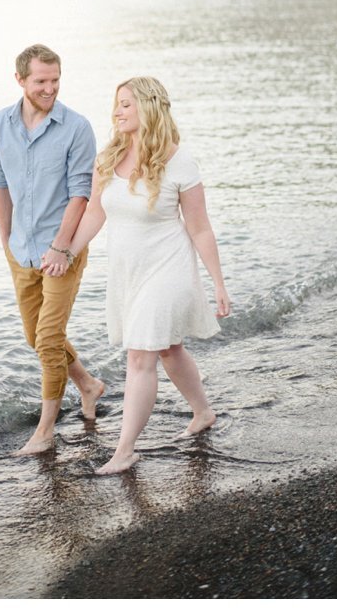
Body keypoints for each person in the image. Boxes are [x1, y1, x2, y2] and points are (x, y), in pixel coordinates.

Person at [56, 76, 232, 475]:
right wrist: (68, 251)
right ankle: (203, 412)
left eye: (125, 104)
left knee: (140, 355)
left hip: (168, 268)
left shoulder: (179, 160)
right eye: (116, 104)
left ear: (148, 107)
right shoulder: (108, 158)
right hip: (129, 272)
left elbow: (200, 227)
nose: (117, 112)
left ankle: (124, 450)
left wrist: (218, 283)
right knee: (169, 348)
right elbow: (96, 214)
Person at [0, 43, 106, 456]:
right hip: (21, 250)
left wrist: (61, 248)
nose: (49, 88)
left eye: (55, 80)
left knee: (49, 339)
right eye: (41, 81)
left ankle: (45, 431)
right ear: (20, 79)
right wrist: (6, 243)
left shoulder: (77, 128)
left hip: (64, 250)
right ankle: (88, 384)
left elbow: (80, 195)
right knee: (34, 337)